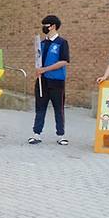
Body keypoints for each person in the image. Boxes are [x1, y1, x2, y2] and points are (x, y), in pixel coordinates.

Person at [28, 15, 70, 146]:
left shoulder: (62, 43)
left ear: (53, 26)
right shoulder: (41, 43)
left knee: (59, 108)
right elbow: (38, 61)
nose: (44, 28)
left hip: (57, 81)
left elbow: (64, 61)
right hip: (42, 81)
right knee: (40, 107)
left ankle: (61, 135)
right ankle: (37, 133)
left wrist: (46, 69)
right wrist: (38, 70)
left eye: (46, 25)